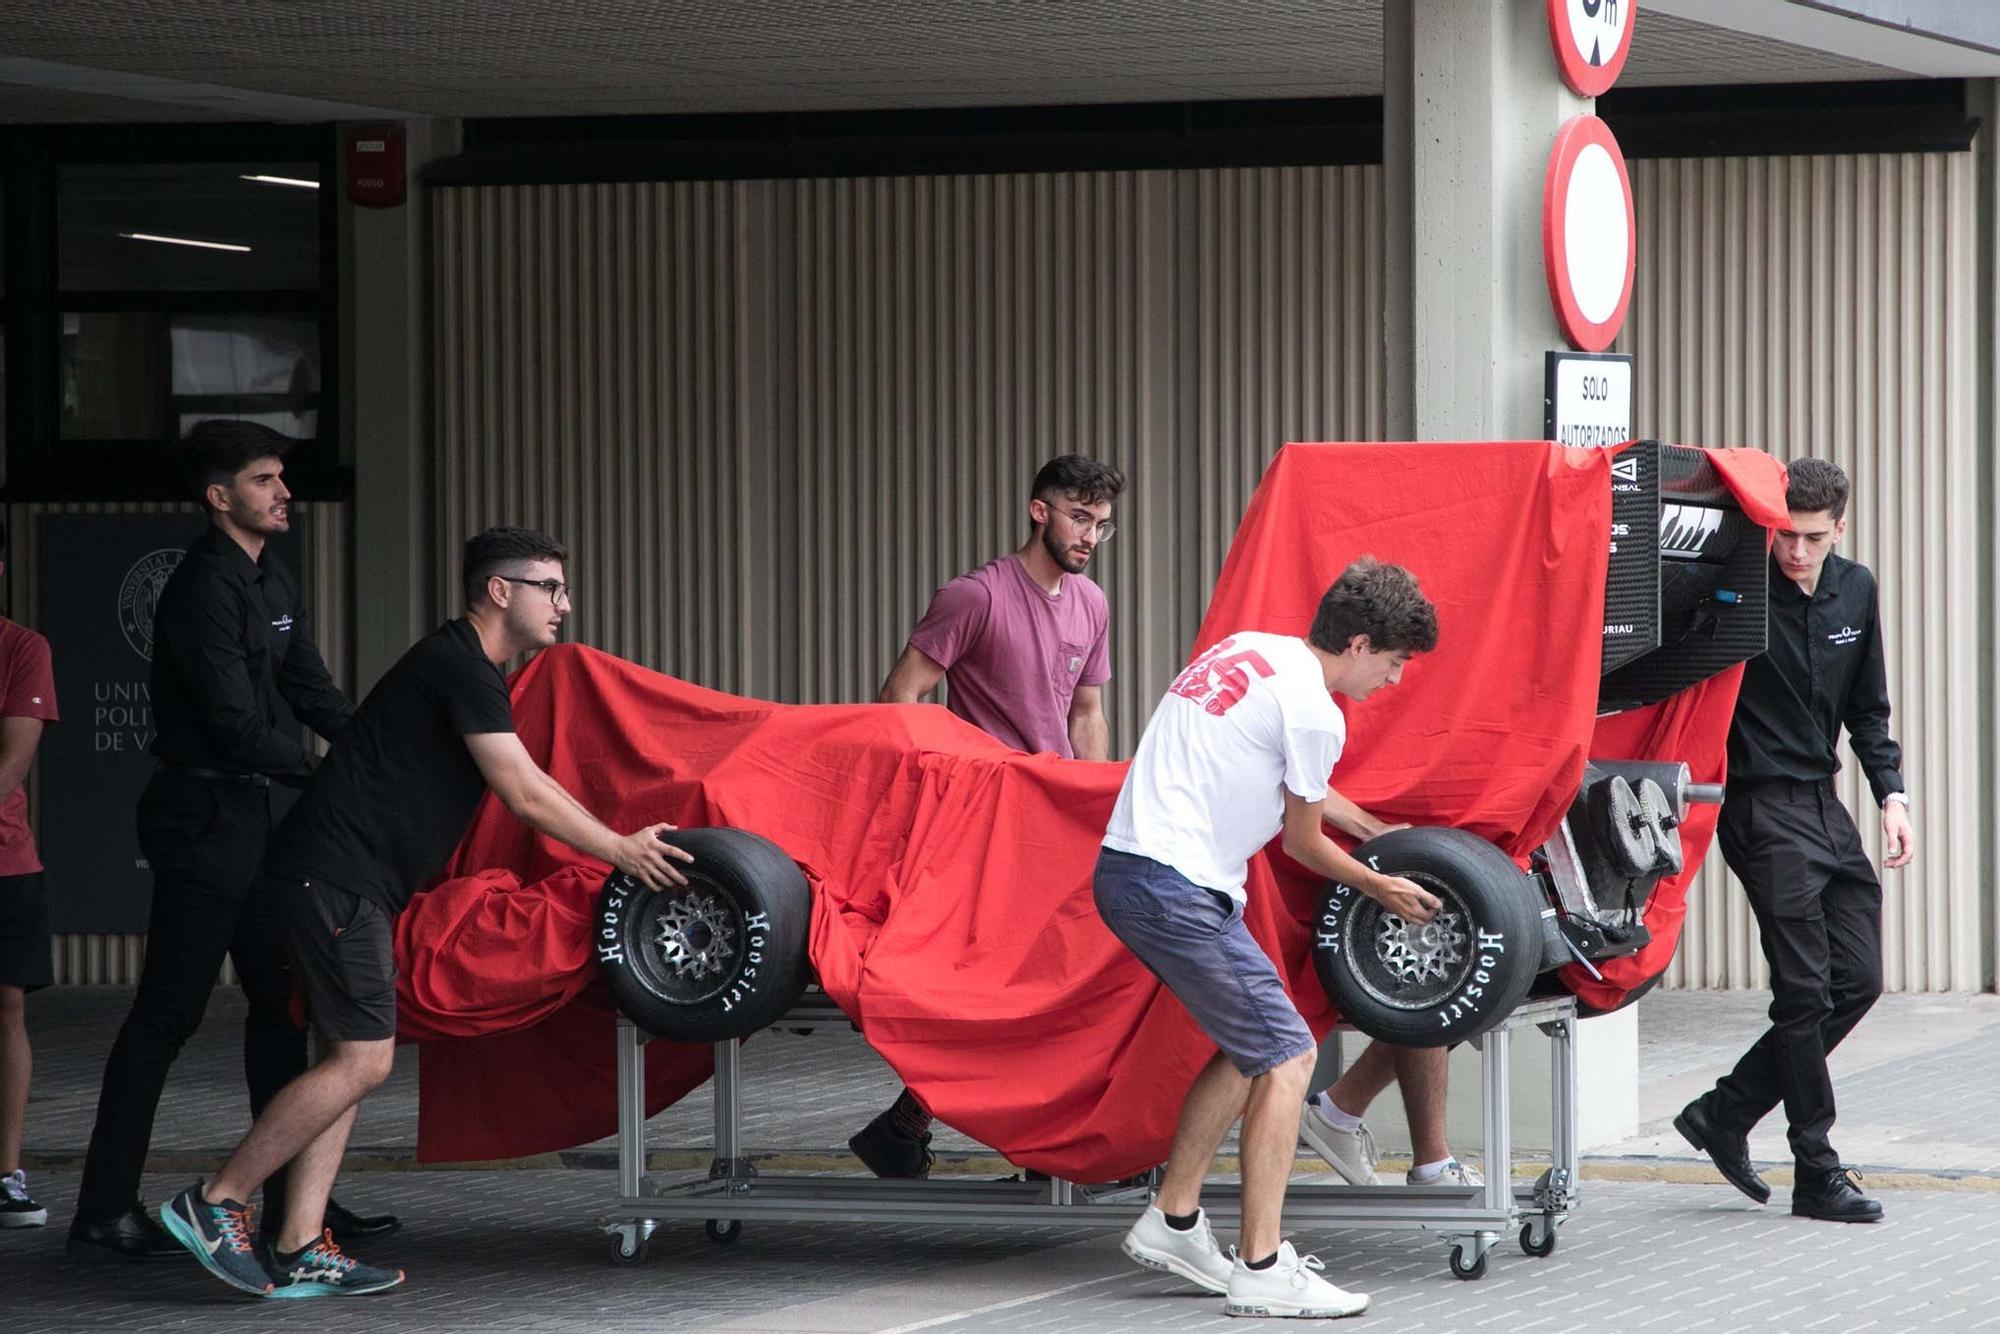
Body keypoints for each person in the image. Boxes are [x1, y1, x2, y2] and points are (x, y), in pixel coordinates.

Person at [161, 526, 693, 1297]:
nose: (565, 608)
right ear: (500, 591)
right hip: (333, 881)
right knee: (363, 1059)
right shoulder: (462, 667)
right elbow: (523, 791)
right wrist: (621, 850)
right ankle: (215, 1201)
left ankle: (301, 1241)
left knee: (347, 1060)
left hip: (353, 885)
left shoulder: (466, 669)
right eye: (552, 589)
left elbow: (522, 779)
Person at [70, 421, 395, 1261]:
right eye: (264, 480)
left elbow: (308, 686)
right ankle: (104, 1207)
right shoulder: (199, 589)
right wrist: (328, 776)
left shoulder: (270, 576)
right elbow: (235, 725)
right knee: (167, 1013)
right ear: (221, 498)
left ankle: (297, 1204)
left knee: (279, 1006)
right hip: (201, 819)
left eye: (281, 478)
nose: (284, 492)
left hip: (256, 820)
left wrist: (375, 751)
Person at [1100, 558, 1439, 1318]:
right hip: (1174, 886)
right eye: (1392, 661)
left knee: (1255, 1043)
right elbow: (1301, 842)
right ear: (1358, 644)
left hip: (1141, 872)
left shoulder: (1251, 651)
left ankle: (1174, 1221)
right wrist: (1383, 884)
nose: (1392, 679)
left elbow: (1303, 785)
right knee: (1291, 1055)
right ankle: (1262, 1266)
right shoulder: (1317, 710)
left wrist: (1377, 831)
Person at [850, 454, 1124, 1179]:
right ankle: (1012, 1143)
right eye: (1078, 516)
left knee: (1056, 987)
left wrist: (1097, 807)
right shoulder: (975, 596)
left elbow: (1087, 713)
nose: (1089, 535)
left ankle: (912, 1128)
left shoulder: (1092, 605)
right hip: (988, 825)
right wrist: (940, 786)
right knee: (997, 994)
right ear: (1040, 511)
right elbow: (899, 697)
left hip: (1061, 823)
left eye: (1101, 524)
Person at [1675, 457, 1911, 1224]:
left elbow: (1868, 709)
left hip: (1825, 804)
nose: (1796, 551)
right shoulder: (1739, 588)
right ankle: (1817, 1169)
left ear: (1839, 527)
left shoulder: (1858, 588)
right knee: (1805, 991)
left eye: (1812, 537)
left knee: (1860, 980)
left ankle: (1724, 1111)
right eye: (1785, 535)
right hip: (1759, 809)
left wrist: (1892, 797)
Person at [0, 519, 58, 1229]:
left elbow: (12, 763)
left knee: (7, 1007)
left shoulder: (22, 648)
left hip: (7, 860)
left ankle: (6, 1169)